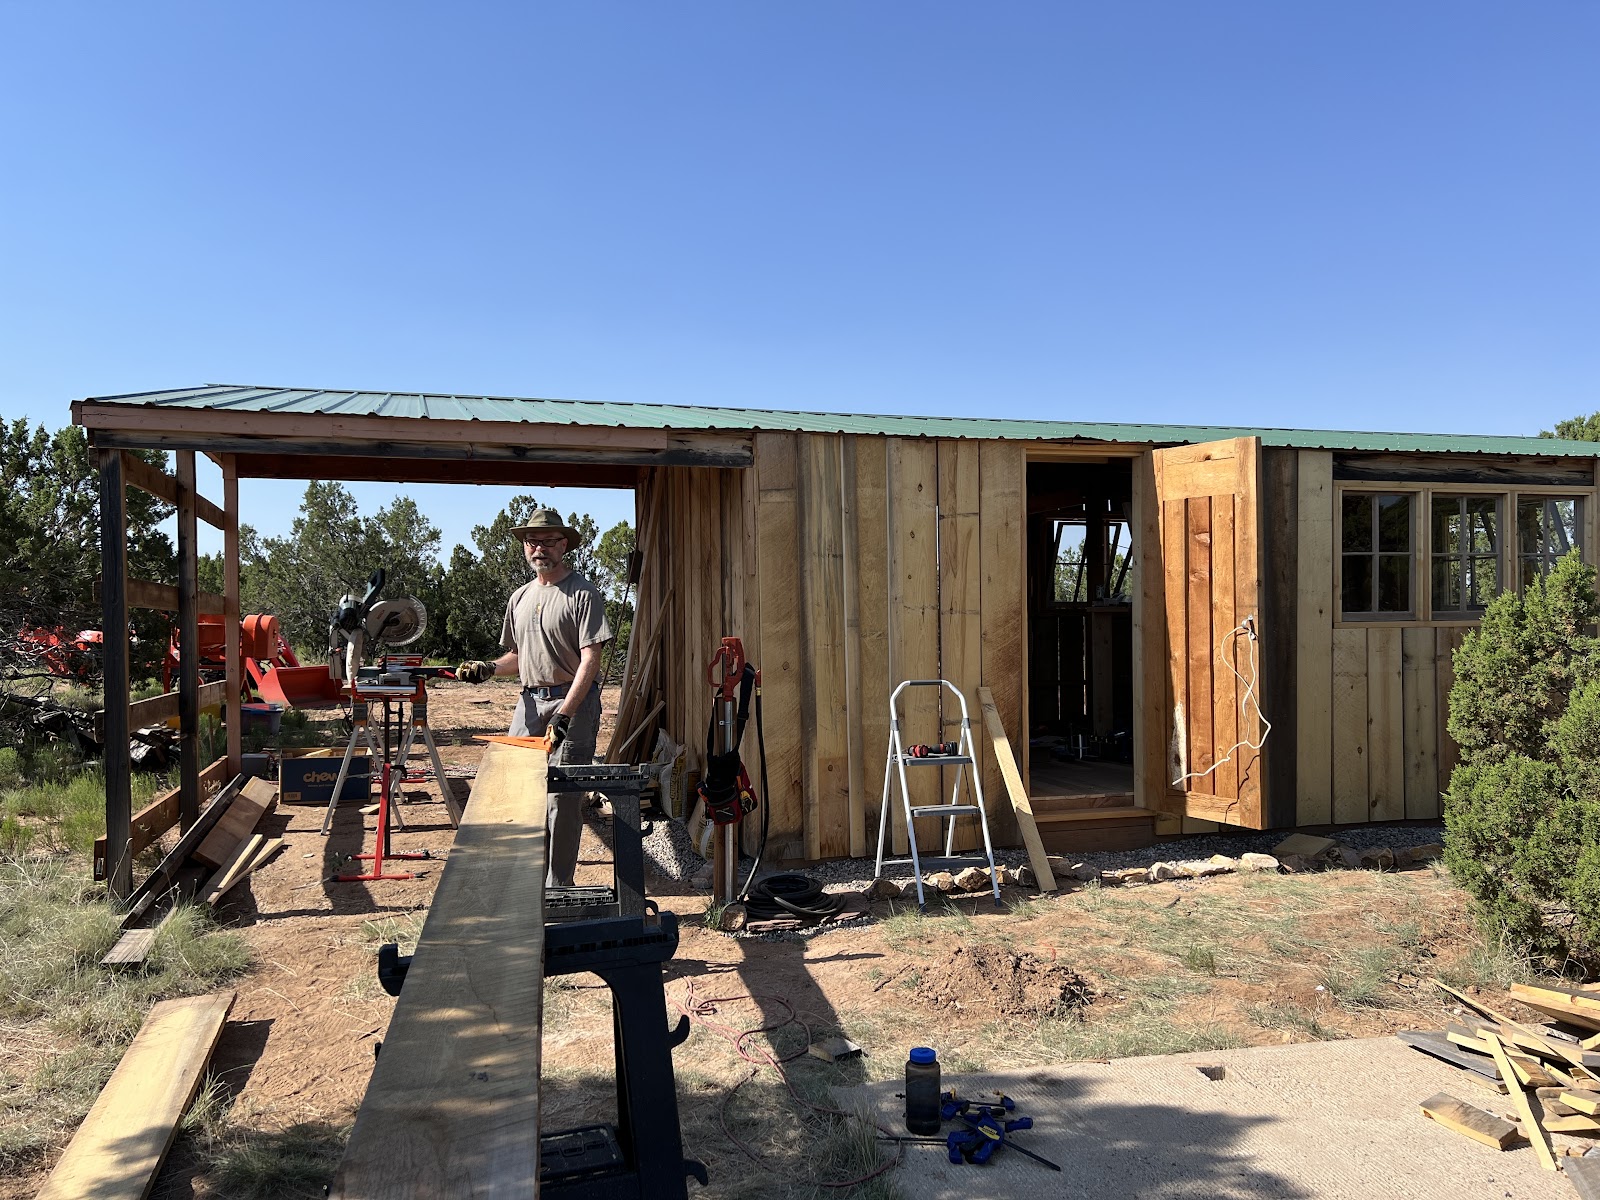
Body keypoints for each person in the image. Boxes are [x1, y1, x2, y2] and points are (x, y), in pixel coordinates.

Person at [457, 507, 611, 888]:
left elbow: (591, 660)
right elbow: (518, 656)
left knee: (563, 798)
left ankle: (558, 886)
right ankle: (524, 881)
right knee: (518, 789)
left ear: (564, 545)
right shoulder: (520, 598)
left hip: (573, 704)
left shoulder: (583, 593)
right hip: (529, 704)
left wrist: (565, 715)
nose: (539, 548)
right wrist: (488, 668)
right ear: (524, 547)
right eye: (532, 541)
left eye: (548, 541)